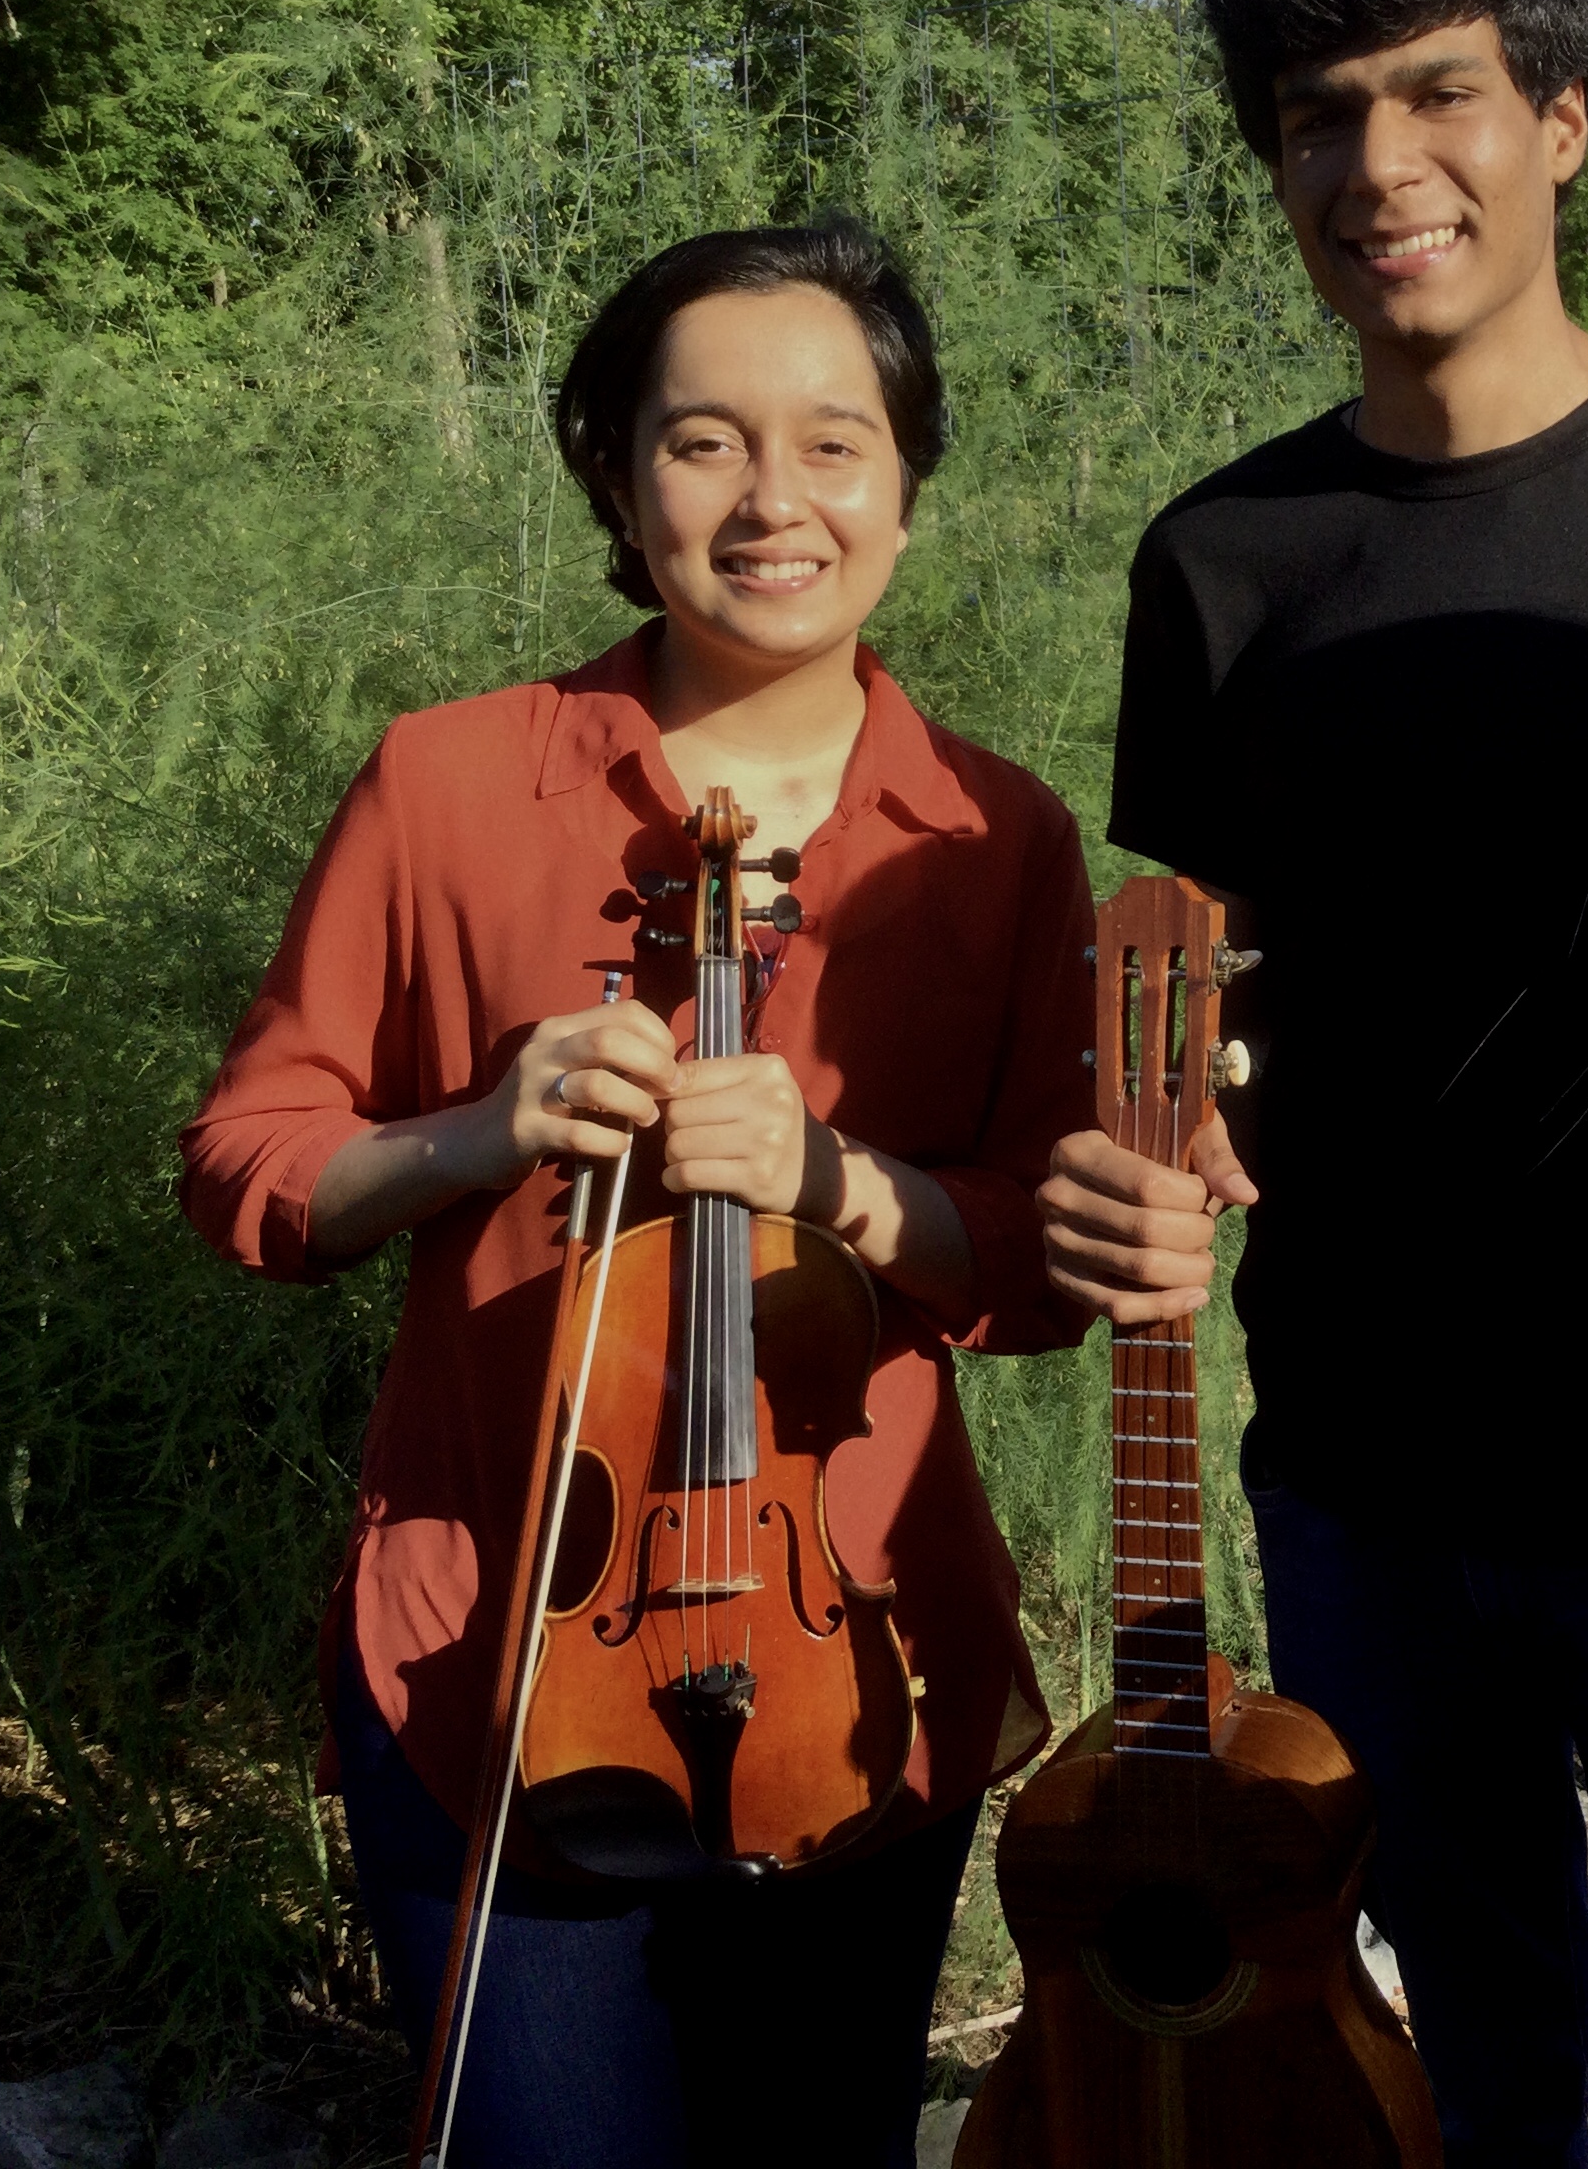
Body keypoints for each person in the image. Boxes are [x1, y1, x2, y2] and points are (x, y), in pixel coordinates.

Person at [180, 219, 1093, 2169]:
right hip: (499, 1652)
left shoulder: (998, 836)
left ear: (908, 478)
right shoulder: (444, 785)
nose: (777, 499)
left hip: (863, 1661)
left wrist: (846, 1183)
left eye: (836, 441)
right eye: (704, 443)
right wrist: (476, 1132)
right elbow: (248, 1164)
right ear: (615, 472)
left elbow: (1036, 1267)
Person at [1034, 0, 1588, 2169]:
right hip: (1361, 1466)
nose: (1379, 167)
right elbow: (1206, 992)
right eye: (1314, 116)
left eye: (1437, 94)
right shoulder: (1221, 562)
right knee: (1466, 2052)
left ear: (1560, 118)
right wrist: (1159, 1170)